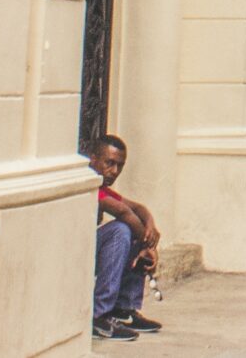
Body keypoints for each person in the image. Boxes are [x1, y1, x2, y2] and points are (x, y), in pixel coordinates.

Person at [87, 134, 162, 342]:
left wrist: (150, 226)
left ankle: (123, 309)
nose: (115, 171)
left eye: (120, 165)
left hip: (88, 251)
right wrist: (150, 246)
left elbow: (138, 208)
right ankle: (99, 316)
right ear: (93, 159)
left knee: (135, 231)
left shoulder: (102, 188)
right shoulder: (89, 187)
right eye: (109, 163)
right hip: (70, 254)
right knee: (122, 230)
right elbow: (123, 212)